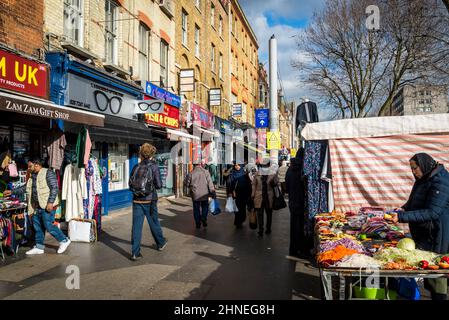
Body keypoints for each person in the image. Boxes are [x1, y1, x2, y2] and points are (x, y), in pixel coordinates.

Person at [391, 153, 449, 300]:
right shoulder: (422, 179)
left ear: (424, 165)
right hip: (426, 233)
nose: (413, 171)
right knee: (430, 275)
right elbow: (414, 201)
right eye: (411, 168)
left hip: (439, 234)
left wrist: (402, 217)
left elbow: (433, 212)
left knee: (437, 276)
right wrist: (404, 209)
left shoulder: (441, 181)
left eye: (415, 168)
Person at [20, 157, 71, 255]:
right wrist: (12, 191)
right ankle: (39, 247)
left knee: (48, 225)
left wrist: (50, 202)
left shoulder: (48, 172)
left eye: (30, 166)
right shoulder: (32, 176)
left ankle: (64, 240)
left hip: (47, 205)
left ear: (37, 165)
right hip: (36, 206)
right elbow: (26, 188)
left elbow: (54, 188)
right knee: (38, 227)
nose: (29, 169)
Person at [129, 143, 167, 261]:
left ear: (141, 154)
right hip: (150, 200)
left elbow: (130, 183)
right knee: (154, 222)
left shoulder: (136, 166)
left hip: (136, 199)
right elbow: (159, 185)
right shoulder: (154, 166)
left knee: (136, 226)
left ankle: (135, 253)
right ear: (151, 154)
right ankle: (160, 243)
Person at [285, 150, 310, 259]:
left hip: (292, 201)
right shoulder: (302, 169)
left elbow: (286, 185)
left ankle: (293, 249)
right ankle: (301, 249)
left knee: (294, 226)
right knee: (301, 227)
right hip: (301, 201)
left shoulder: (290, 169)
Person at [251, 158, 280, 237]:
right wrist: (253, 195)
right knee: (261, 214)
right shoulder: (258, 174)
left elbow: (277, 183)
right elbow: (254, 185)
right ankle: (262, 229)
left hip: (268, 197)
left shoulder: (272, 174)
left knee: (268, 214)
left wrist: (274, 182)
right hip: (261, 197)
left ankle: (267, 229)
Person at [185, 159, 216, 229]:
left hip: (195, 194)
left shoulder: (191, 173)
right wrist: (213, 192)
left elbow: (186, 184)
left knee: (196, 209)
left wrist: (190, 186)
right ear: (200, 164)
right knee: (205, 207)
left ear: (193, 165)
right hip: (205, 194)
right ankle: (204, 218)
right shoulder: (206, 172)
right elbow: (210, 183)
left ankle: (198, 223)